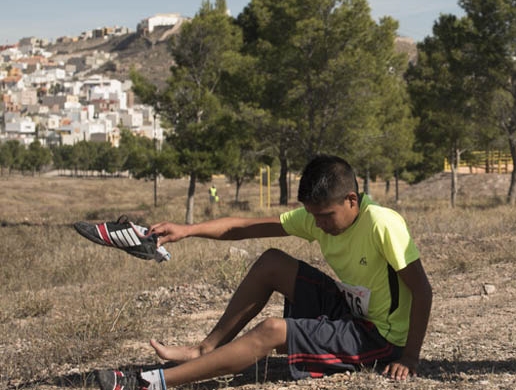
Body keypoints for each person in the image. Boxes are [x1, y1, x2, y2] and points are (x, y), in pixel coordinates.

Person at [95, 155, 433, 390]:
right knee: (272, 262)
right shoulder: (318, 218)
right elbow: (243, 227)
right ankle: (204, 350)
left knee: (272, 330)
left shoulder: (382, 224)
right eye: (313, 216)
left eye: (326, 216)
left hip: (382, 338)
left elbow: (422, 291)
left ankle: (153, 382)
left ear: (352, 200)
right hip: (352, 312)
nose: (318, 224)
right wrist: (187, 230)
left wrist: (410, 357)